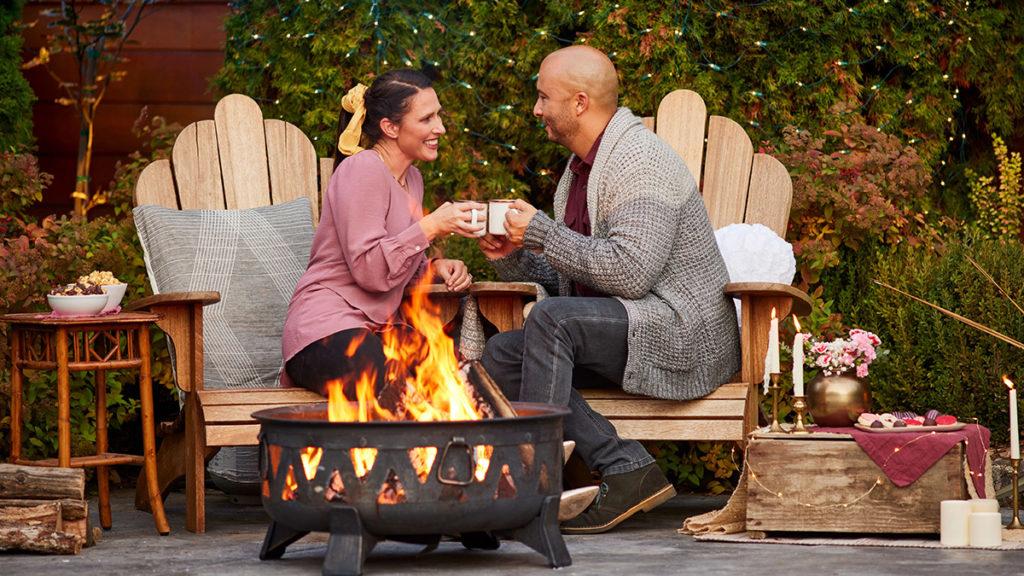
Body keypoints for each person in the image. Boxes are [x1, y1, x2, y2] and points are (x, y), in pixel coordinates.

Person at [478, 46, 741, 534]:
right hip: (630, 324)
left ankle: (533, 491)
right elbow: (575, 278)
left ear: (579, 103)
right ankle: (626, 467)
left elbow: (629, 274)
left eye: (543, 97)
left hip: (682, 331)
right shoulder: (579, 171)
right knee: (501, 354)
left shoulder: (639, 161)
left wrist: (540, 232)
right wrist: (516, 251)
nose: (536, 110)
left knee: (550, 320)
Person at [283, 69, 485, 399]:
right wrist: (431, 225)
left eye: (439, 116)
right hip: (324, 330)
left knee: (449, 372)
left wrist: (435, 268)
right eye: (427, 119)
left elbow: (398, 265)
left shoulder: (412, 179)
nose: (440, 128)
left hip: (378, 330)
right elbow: (370, 272)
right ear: (390, 127)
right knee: (374, 368)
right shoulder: (362, 169)